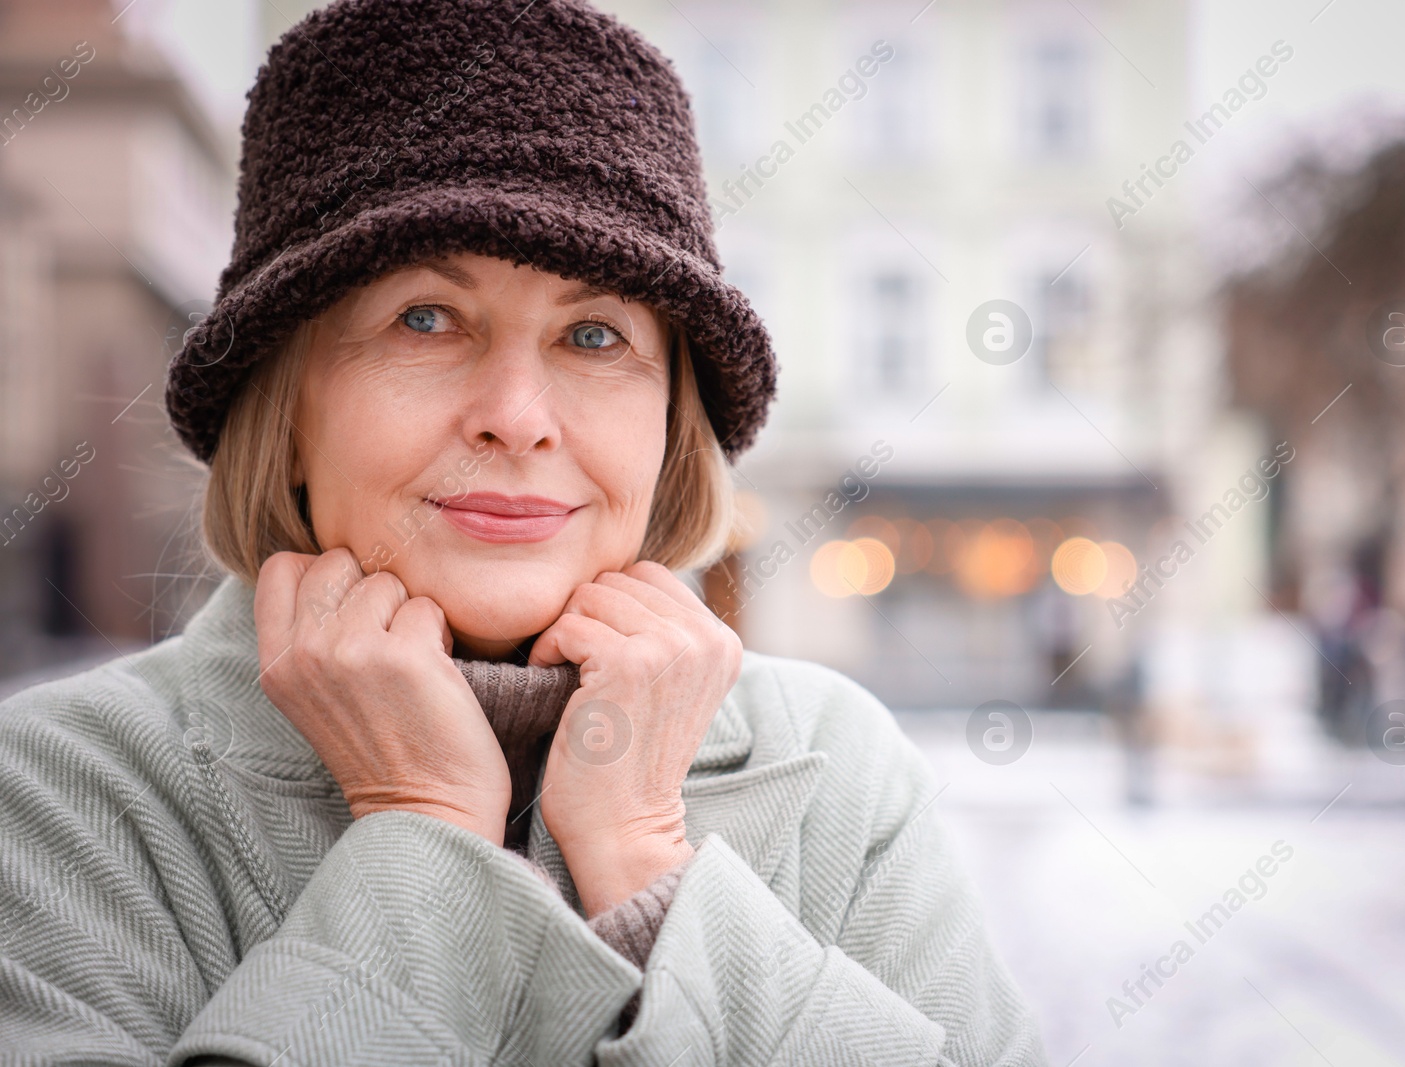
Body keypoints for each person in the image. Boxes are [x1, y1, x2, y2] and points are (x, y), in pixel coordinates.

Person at [0, 1, 1047, 1063]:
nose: (519, 412)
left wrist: (650, 872)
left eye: (594, 335)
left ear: (670, 427)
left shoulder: (836, 768)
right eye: (425, 317)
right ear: (287, 405)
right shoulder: (59, 793)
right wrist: (424, 832)